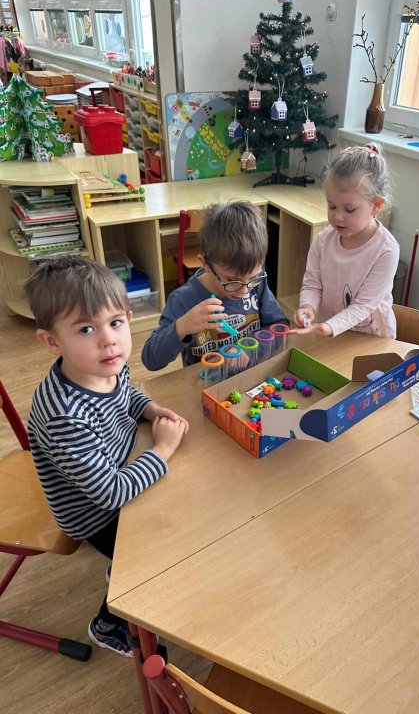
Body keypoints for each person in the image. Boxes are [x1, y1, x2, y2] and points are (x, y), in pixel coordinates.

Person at [24, 257, 189, 656]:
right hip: (95, 513)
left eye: (115, 323)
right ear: (52, 342)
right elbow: (111, 494)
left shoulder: (106, 364)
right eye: (86, 329)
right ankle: (108, 622)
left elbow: (125, 395)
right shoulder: (65, 415)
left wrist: (149, 409)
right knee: (163, 550)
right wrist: (163, 450)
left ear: (128, 319)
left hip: (122, 464)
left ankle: (122, 569)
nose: (108, 340)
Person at [142, 201, 288, 370]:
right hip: (206, 380)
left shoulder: (256, 285)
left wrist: (248, 348)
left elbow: (279, 326)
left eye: (253, 277)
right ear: (205, 264)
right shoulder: (184, 300)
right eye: (232, 280)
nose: (244, 290)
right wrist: (181, 327)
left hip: (253, 376)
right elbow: (150, 360)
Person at [292, 143, 399, 339]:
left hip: (371, 338)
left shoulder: (386, 250)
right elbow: (312, 285)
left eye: (349, 210)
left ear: (376, 205)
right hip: (330, 333)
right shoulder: (323, 240)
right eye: (332, 206)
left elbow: (364, 305)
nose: (338, 217)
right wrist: (308, 307)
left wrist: (329, 327)